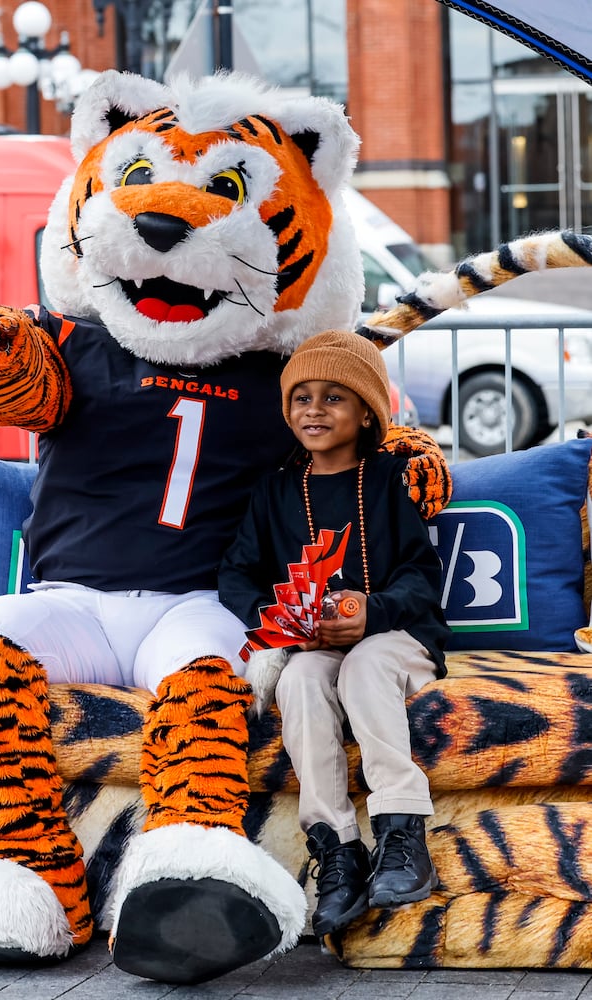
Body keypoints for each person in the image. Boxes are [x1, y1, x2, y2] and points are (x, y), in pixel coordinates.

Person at [218, 330, 449, 940]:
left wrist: (371, 611)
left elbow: (423, 580)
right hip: (312, 644)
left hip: (394, 636)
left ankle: (403, 836)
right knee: (297, 679)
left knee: (365, 666)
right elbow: (236, 573)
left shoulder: (389, 480)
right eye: (301, 398)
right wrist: (281, 617)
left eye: (333, 398)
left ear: (367, 412)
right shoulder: (273, 491)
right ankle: (339, 853)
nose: (314, 410)